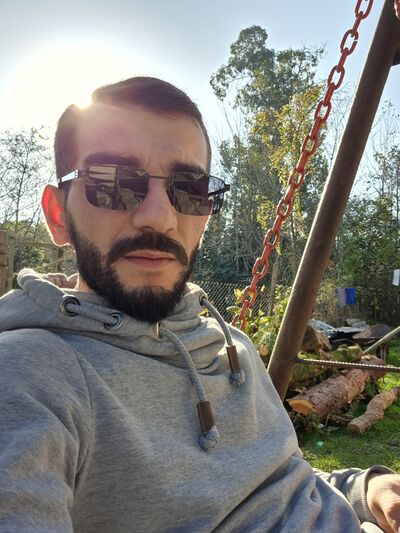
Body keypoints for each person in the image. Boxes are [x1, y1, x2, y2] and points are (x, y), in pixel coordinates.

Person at [0, 76, 399, 533]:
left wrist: (366, 489)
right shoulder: (30, 375)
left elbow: (280, 482)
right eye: (112, 181)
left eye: (189, 188)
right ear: (58, 215)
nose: (160, 217)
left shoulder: (230, 344)